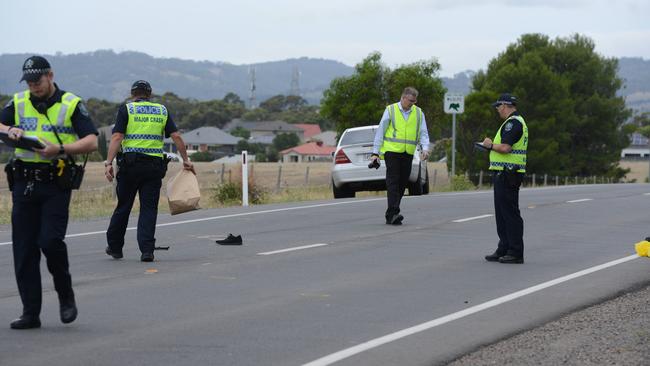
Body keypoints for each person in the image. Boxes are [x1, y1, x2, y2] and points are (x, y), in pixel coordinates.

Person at [0, 56, 98, 329]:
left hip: (55, 182)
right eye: (29, 82)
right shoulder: (18, 101)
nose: (34, 87)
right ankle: (30, 313)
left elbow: (91, 140)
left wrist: (61, 150)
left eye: (38, 81)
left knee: (50, 242)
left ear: (51, 75)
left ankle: (65, 294)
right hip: (23, 182)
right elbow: (0, 126)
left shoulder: (71, 103)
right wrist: (10, 130)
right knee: (24, 250)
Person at [104, 80, 194, 262]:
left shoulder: (127, 109)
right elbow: (176, 136)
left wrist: (108, 162)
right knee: (148, 209)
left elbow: (117, 136)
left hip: (130, 167)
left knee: (123, 206)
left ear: (132, 93)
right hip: (153, 167)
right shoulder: (162, 110)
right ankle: (147, 251)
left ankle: (115, 247)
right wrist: (186, 160)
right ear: (150, 93)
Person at [370, 87, 430, 225]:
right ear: (403, 98)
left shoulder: (419, 113)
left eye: (414, 101)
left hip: (407, 153)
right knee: (393, 182)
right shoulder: (391, 110)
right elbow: (381, 131)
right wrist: (375, 152)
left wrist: (425, 149)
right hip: (392, 152)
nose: (412, 104)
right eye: (410, 101)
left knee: (402, 183)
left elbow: (423, 133)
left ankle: (391, 213)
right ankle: (394, 212)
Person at [482, 93, 528, 264]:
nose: (497, 109)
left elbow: (506, 148)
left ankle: (515, 252)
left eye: (498, 106)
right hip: (504, 172)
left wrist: (489, 145)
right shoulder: (511, 122)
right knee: (502, 213)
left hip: (508, 173)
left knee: (509, 213)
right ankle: (504, 248)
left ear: (505, 105)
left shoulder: (513, 123)